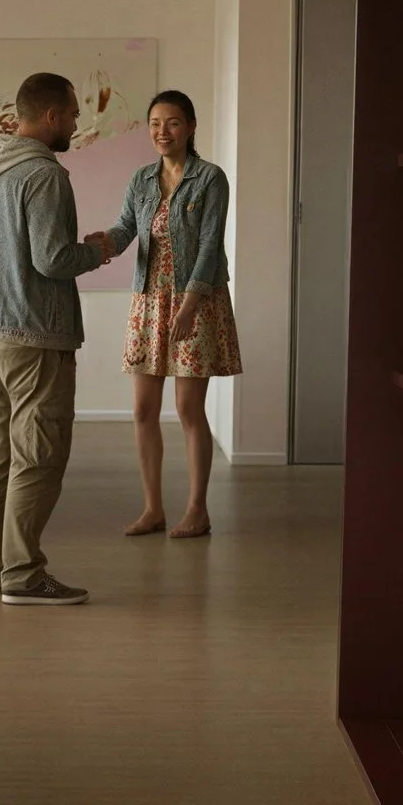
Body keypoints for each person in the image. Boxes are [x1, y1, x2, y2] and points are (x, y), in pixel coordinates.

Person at [0, 72, 125, 607]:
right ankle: (23, 576)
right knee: (37, 457)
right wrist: (100, 250)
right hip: (35, 337)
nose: (76, 123)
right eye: (73, 114)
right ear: (50, 116)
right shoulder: (44, 177)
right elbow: (52, 259)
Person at [109, 89, 237, 540]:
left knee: (187, 408)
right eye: (156, 124)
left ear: (191, 126)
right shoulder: (141, 179)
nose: (163, 132)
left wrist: (188, 305)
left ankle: (197, 510)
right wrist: (100, 245)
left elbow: (208, 245)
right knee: (143, 409)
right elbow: (127, 228)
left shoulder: (210, 179)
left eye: (173, 123)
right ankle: (152, 510)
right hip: (148, 301)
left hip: (195, 300)